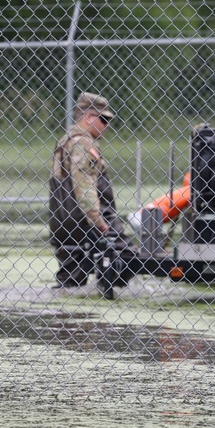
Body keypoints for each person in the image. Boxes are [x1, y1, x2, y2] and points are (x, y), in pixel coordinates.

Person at [48, 92, 132, 289]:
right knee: (126, 256)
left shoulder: (65, 141)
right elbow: (84, 188)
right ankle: (107, 298)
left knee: (70, 282)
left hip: (62, 221)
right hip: (86, 220)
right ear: (88, 117)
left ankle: (68, 316)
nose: (107, 125)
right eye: (103, 119)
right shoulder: (83, 144)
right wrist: (101, 224)